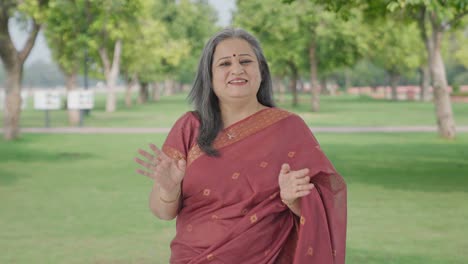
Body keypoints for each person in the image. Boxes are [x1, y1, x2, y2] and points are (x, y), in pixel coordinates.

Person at [135, 28, 347, 264]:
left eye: (246, 61)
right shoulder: (189, 127)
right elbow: (162, 212)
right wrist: (169, 189)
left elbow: (323, 206)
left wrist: (293, 199)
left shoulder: (290, 128)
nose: (237, 69)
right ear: (209, 76)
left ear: (261, 71)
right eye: (225, 64)